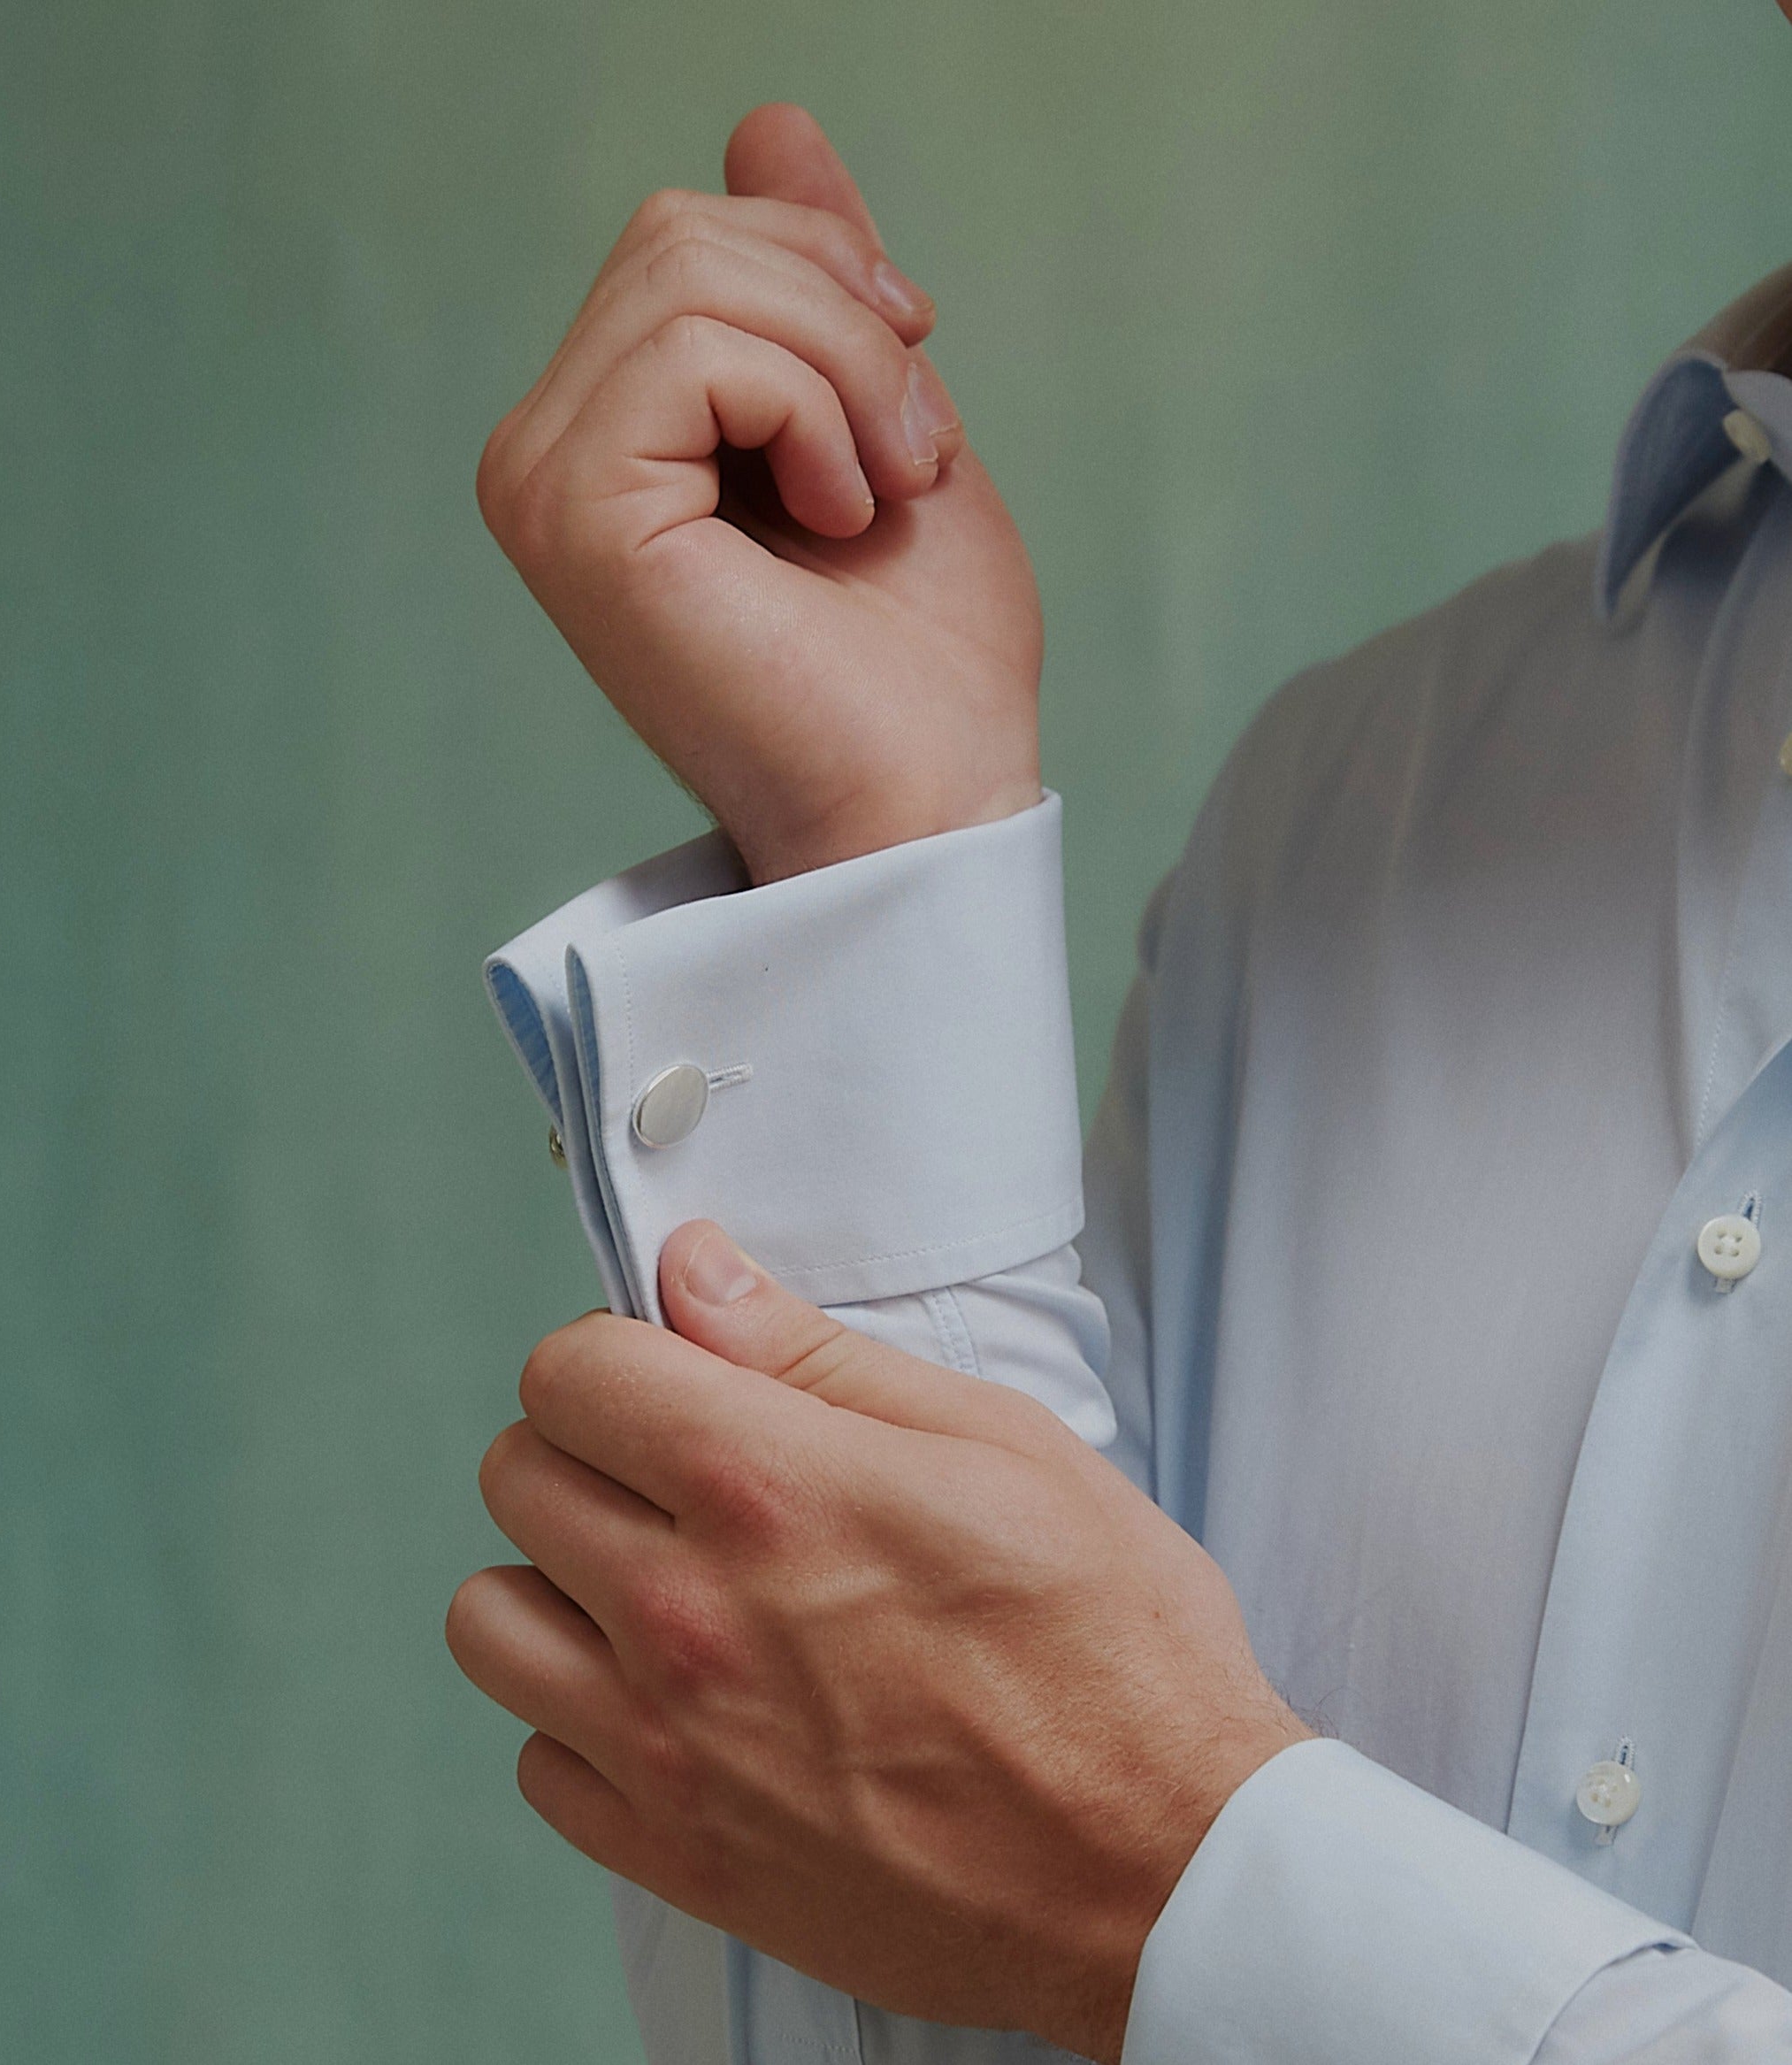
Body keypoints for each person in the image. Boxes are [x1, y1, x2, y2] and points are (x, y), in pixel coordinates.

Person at [447, 65, 1792, 2064]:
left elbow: (1098, 1903)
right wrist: (879, 870)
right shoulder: (1361, 813)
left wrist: (1194, 1894)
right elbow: (934, 1935)